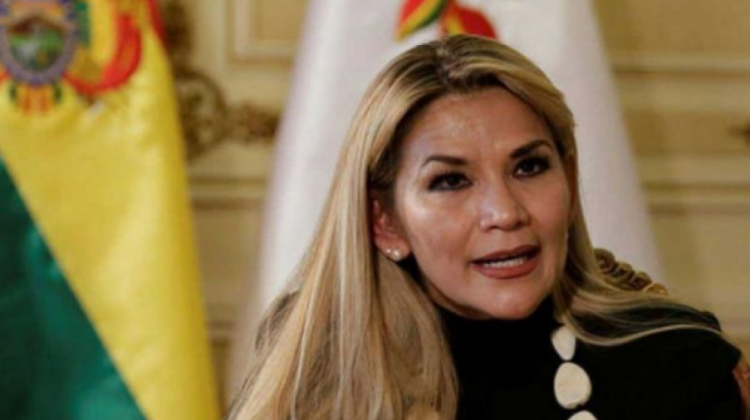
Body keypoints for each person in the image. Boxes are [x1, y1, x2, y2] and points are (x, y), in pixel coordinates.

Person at [227, 35, 749, 420]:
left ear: (569, 181)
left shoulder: (677, 361)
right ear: (383, 222)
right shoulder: (316, 381)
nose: (504, 212)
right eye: (451, 181)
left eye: (529, 167)